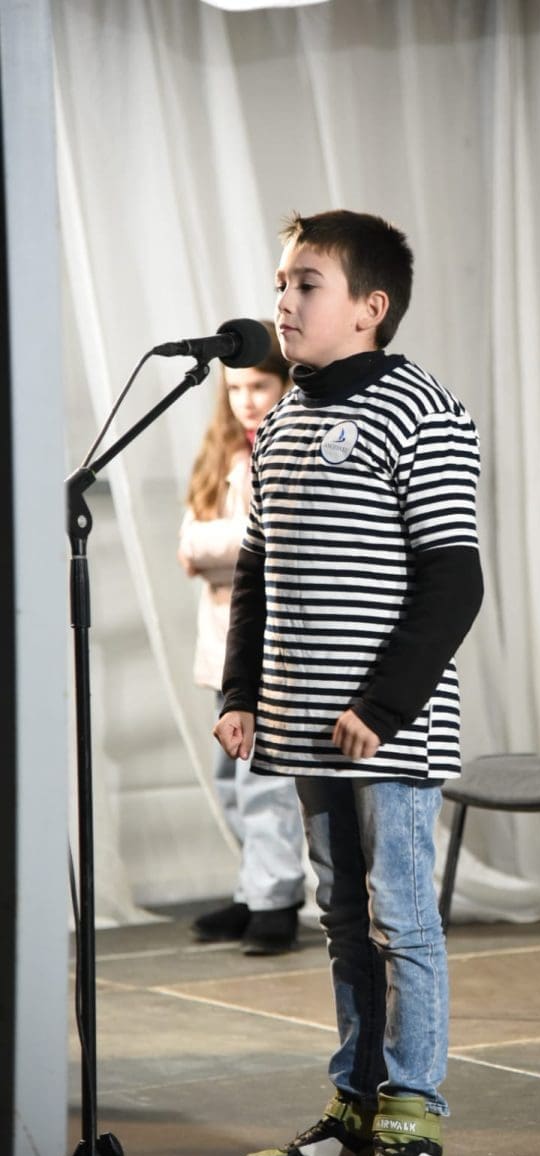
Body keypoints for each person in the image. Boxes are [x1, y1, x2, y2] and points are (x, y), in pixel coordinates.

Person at [214, 211, 483, 1156]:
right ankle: (354, 1106)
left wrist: (385, 703)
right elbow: (256, 570)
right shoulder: (283, 419)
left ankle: (415, 1120)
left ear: (369, 307)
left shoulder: (421, 410)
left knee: (399, 919)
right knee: (339, 917)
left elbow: (453, 579)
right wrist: (241, 691)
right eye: (279, 284)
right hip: (303, 727)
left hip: (388, 733)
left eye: (306, 284)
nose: (282, 302)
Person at [178, 321, 305, 956]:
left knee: (265, 781)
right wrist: (217, 548)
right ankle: (253, 889)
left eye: (259, 386)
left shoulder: (289, 451)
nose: (246, 400)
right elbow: (190, 542)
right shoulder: (222, 456)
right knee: (229, 778)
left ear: (285, 384)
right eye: (235, 389)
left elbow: (273, 540)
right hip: (220, 648)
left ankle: (277, 900)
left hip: (267, 648)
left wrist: (213, 549)